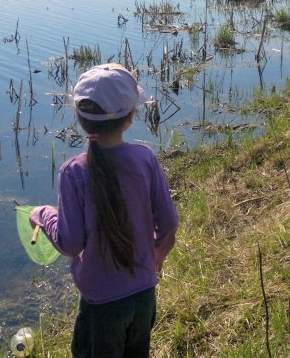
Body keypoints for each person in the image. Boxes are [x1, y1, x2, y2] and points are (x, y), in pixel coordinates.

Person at [30, 63, 179, 358]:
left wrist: (43, 216)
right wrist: (155, 259)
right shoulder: (145, 158)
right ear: (131, 116)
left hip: (102, 305)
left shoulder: (73, 172)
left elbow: (71, 243)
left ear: (79, 117)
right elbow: (170, 224)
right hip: (144, 294)